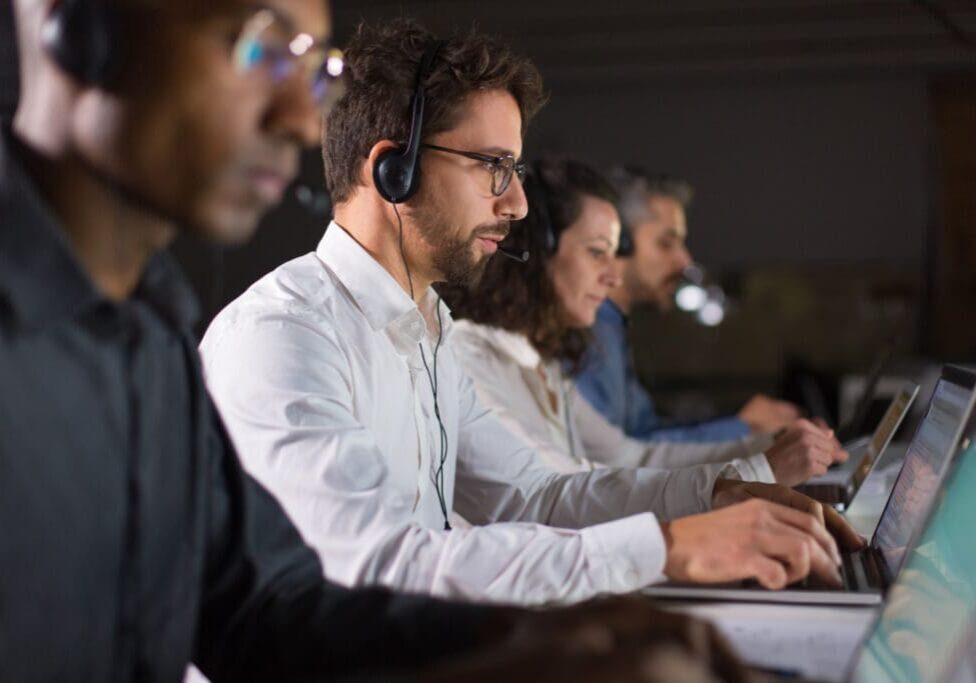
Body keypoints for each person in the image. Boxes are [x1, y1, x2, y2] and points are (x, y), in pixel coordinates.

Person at [0, 1, 755, 681]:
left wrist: (551, 640)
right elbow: (363, 570)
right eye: (257, 45)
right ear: (81, 29)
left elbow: (269, 609)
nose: (301, 118)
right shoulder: (275, 335)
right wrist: (657, 552)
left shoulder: (147, 337)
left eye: (310, 66)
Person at [200, 18, 862, 610]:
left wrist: (723, 495)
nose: (516, 203)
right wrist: (666, 548)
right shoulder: (284, 336)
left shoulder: (429, 329)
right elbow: (377, 567)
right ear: (392, 171)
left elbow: (536, 495)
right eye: (493, 166)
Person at [442, 158, 847, 487]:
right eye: (598, 252)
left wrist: (764, 448)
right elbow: (558, 493)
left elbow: (631, 457)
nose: (614, 275)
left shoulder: (541, 361)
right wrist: (757, 468)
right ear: (537, 252)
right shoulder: (472, 357)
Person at [574, 166, 802, 442]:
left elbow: (643, 430)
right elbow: (614, 456)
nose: (685, 261)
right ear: (618, 241)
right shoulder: (585, 328)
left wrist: (742, 423)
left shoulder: (612, 327)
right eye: (666, 243)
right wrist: (742, 428)